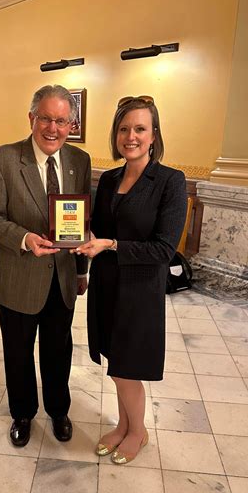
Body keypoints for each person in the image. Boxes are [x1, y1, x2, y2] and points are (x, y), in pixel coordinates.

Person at [0, 85, 91, 447]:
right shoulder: (1, 160)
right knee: (18, 352)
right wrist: (25, 238)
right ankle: (22, 414)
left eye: (61, 121)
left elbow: (82, 218)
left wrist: (83, 270)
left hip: (63, 279)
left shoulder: (79, 161)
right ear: (31, 118)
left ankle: (59, 410)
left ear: (71, 124)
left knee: (59, 349)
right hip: (19, 278)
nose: (53, 128)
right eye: (46, 118)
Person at [76, 96, 187, 464]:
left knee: (128, 368)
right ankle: (123, 425)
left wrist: (110, 244)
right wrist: (78, 235)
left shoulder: (170, 181)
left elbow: (164, 249)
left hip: (139, 290)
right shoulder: (108, 179)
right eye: (124, 129)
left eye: (139, 128)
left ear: (153, 135)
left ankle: (137, 432)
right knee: (115, 362)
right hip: (107, 285)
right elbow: (96, 230)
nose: (131, 136)